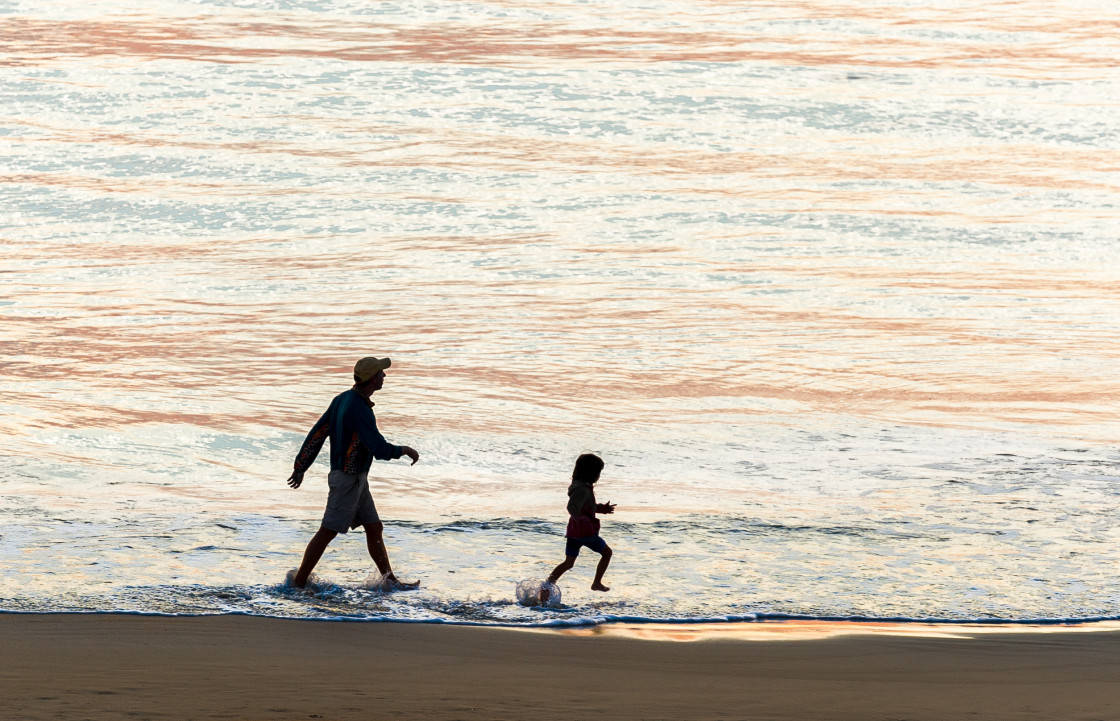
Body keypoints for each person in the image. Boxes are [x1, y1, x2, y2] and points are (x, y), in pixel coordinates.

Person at [285, 356, 420, 589]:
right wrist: (403, 450)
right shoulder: (359, 408)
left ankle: (390, 581)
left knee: (374, 527)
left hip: (357, 479)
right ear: (372, 378)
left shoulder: (342, 399)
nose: (384, 376)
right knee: (327, 531)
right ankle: (298, 583)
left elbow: (317, 433)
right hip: (347, 479)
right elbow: (377, 447)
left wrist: (300, 467)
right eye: (381, 373)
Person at [541, 453, 615, 602]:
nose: (599, 476)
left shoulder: (580, 487)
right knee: (607, 553)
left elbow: (587, 507)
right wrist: (583, 520)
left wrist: (601, 508)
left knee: (568, 563)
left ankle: (548, 584)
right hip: (586, 533)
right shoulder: (582, 489)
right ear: (591, 473)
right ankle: (596, 583)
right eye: (598, 472)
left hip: (574, 532)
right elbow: (572, 507)